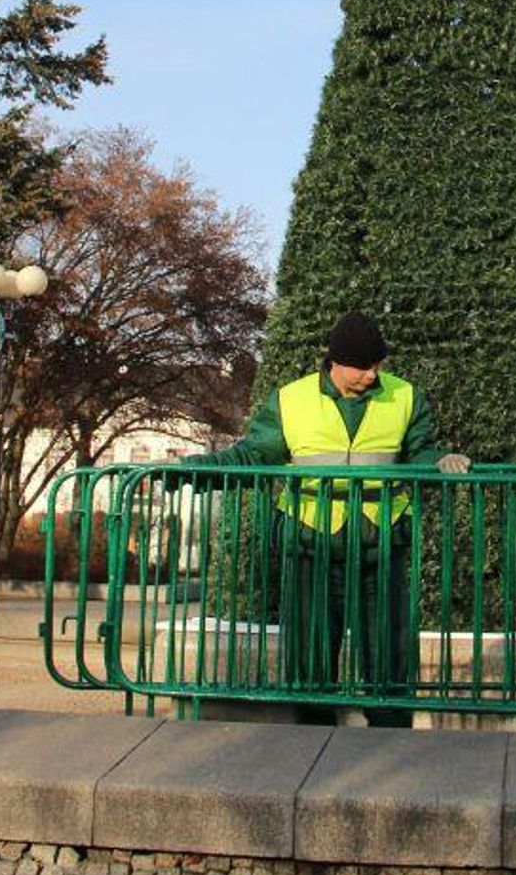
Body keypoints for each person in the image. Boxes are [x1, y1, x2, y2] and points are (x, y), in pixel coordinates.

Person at [190, 311, 470, 726]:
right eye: (363, 366)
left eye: (378, 365)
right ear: (335, 362)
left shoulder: (405, 396)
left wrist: (441, 460)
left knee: (388, 658)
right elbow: (251, 454)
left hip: (381, 546)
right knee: (310, 658)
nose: (372, 375)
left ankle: (390, 746)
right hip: (310, 546)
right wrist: (195, 470)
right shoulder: (291, 399)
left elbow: (419, 451)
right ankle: (311, 748)